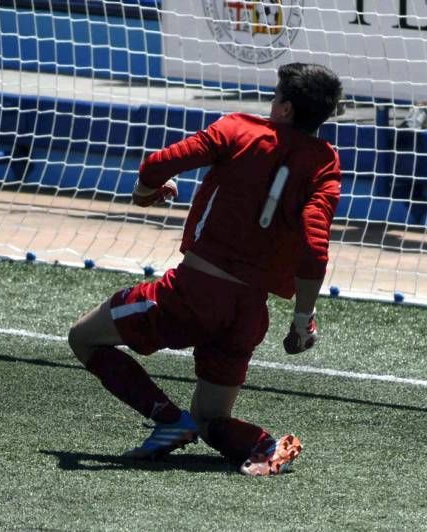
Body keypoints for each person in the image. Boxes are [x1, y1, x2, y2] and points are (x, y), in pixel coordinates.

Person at [68, 62, 343, 476]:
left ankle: (167, 419)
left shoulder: (238, 129)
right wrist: (303, 319)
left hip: (191, 294)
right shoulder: (325, 162)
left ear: (285, 108)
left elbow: (156, 165)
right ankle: (264, 445)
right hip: (248, 313)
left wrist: (147, 194)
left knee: (83, 338)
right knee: (212, 420)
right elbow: (314, 246)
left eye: (274, 98)